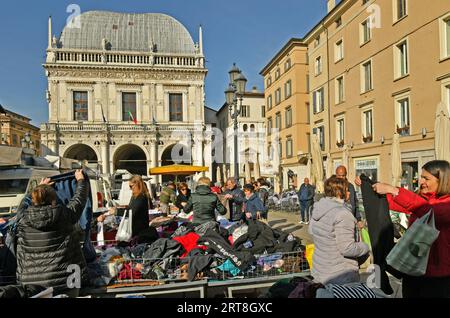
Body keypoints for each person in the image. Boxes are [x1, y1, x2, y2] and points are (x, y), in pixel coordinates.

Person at [356, 160, 450, 298]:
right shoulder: (422, 198)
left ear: (442, 180)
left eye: (426, 178)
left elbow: (428, 211)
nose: (421, 181)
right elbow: (393, 202)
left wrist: (393, 189)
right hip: (412, 270)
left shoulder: (446, 204)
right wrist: (371, 186)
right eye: (421, 177)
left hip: (437, 275)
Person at [16, 170, 89, 297]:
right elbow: (79, 200)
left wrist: (40, 188)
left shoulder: (22, 218)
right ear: (54, 199)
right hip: (67, 280)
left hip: (31, 283)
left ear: (34, 199)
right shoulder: (63, 214)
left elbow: (23, 203)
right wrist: (81, 181)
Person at [309, 176, 370, 285]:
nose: (350, 193)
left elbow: (312, 232)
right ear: (338, 193)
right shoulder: (343, 214)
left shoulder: (318, 208)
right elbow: (347, 248)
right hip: (340, 274)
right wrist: (366, 247)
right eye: (347, 190)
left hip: (320, 270)